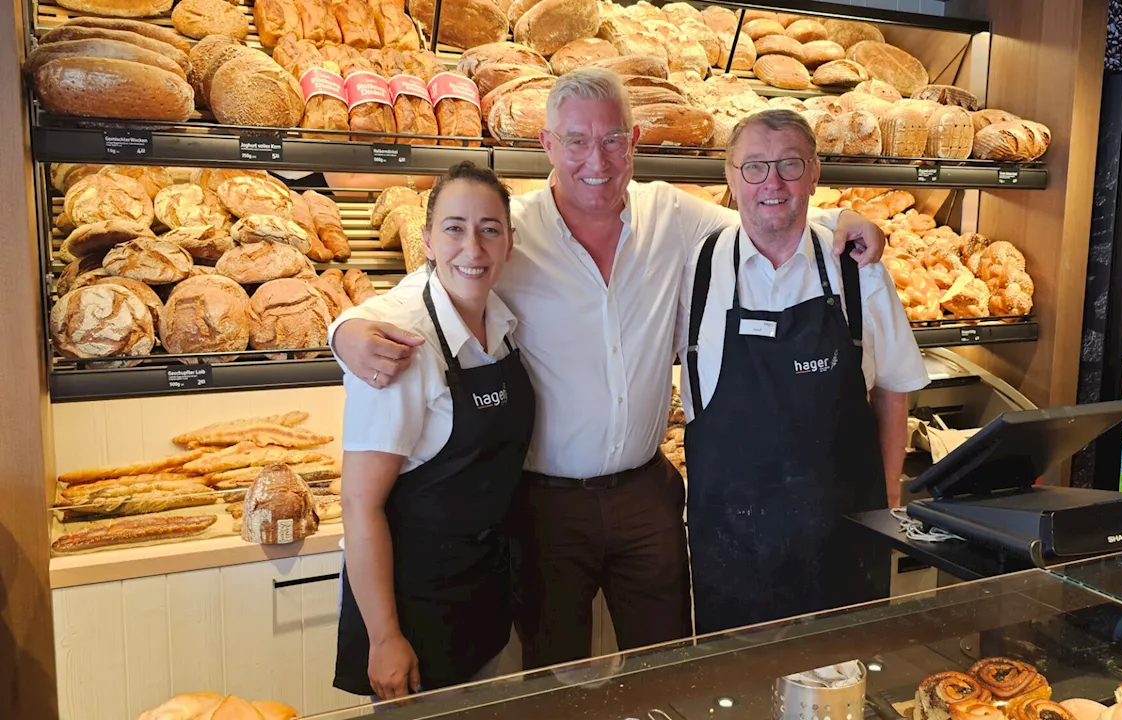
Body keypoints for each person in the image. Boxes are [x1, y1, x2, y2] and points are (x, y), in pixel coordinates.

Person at [329, 69, 886, 671]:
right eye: (575, 141)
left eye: (612, 139)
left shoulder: (673, 217)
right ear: (547, 144)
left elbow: (767, 221)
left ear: (635, 140)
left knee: (666, 664)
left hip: (645, 494)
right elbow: (433, 284)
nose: (596, 159)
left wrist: (839, 220)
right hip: (545, 507)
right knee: (556, 674)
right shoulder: (508, 232)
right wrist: (346, 332)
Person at [676, 110, 929, 635]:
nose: (772, 182)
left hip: (841, 536)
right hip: (731, 541)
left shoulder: (858, 272)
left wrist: (885, 510)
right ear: (729, 177)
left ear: (814, 173)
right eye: (755, 167)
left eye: (790, 165)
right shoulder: (692, 271)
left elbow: (892, 394)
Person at [333, 162, 534, 700]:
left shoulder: (503, 322)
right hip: (413, 605)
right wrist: (384, 638)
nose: (473, 247)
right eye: (454, 228)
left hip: (481, 588)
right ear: (426, 240)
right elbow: (359, 503)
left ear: (509, 242)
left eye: (489, 229)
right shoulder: (401, 345)